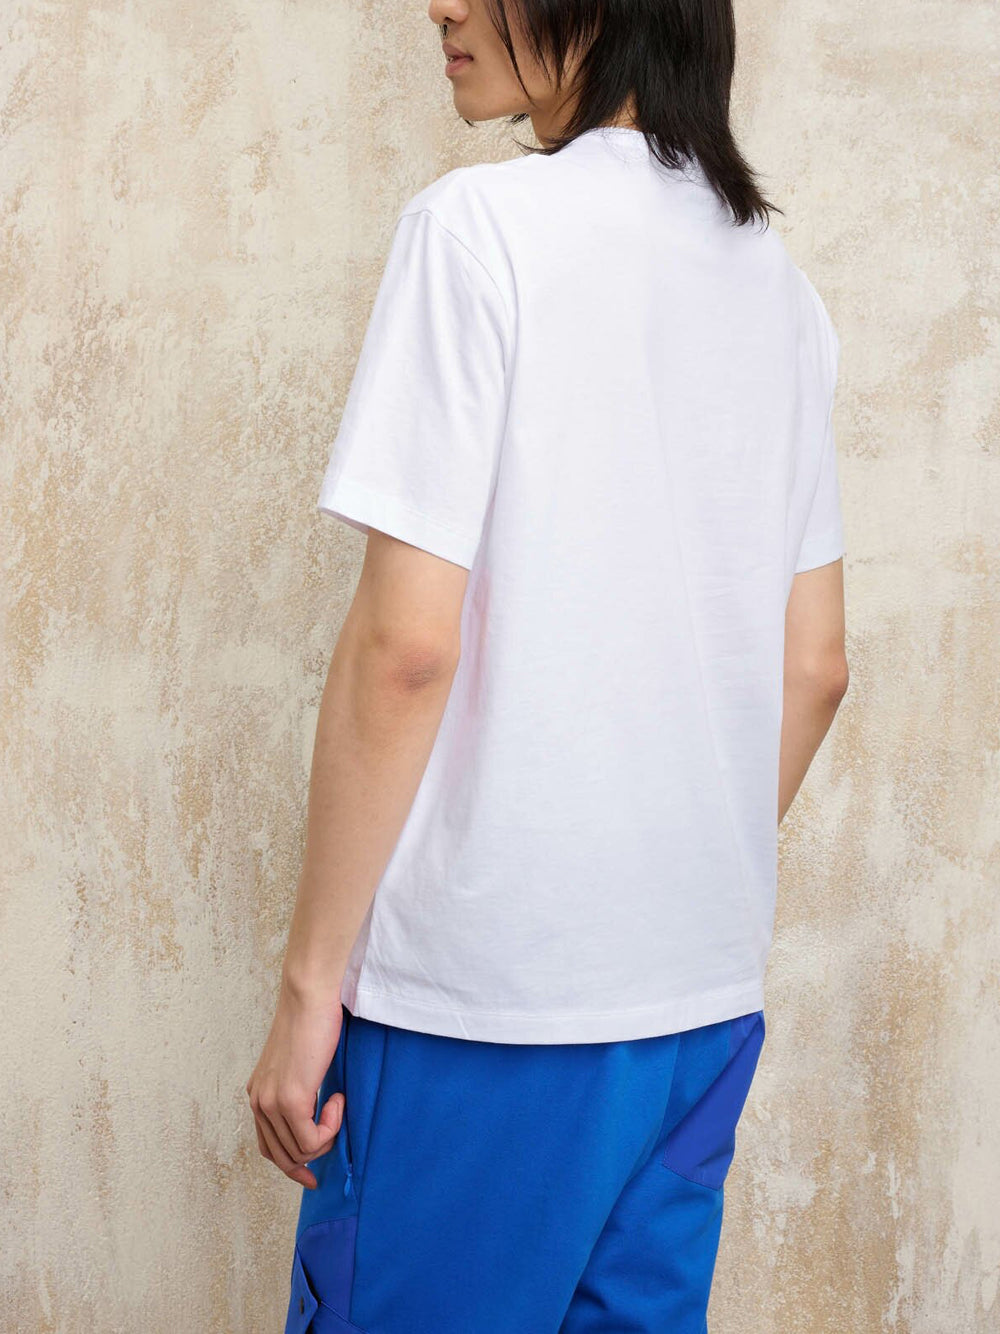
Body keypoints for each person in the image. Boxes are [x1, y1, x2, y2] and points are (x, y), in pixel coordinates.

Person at [246, 0, 849, 1329]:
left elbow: (407, 647)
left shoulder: (478, 232)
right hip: (696, 1004)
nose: (442, 7)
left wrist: (307, 986)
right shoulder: (784, 297)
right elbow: (815, 666)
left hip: (486, 1012)